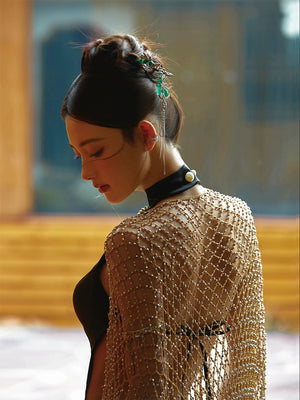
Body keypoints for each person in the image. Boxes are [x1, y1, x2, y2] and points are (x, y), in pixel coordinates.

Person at [61, 34, 266, 400]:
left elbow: (147, 386)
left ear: (144, 133)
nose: (86, 173)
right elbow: (248, 373)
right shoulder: (236, 217)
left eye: (96, 152)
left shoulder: (136, 239)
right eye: (79, 156)